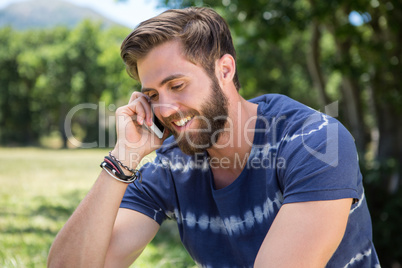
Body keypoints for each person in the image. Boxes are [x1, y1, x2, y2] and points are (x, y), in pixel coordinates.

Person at [47, 7, 380, 268]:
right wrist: (124, 158)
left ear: (225, 70)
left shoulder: (314, 142)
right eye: (152, 93)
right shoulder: (171, 165)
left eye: (177, 86)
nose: (165, 109)